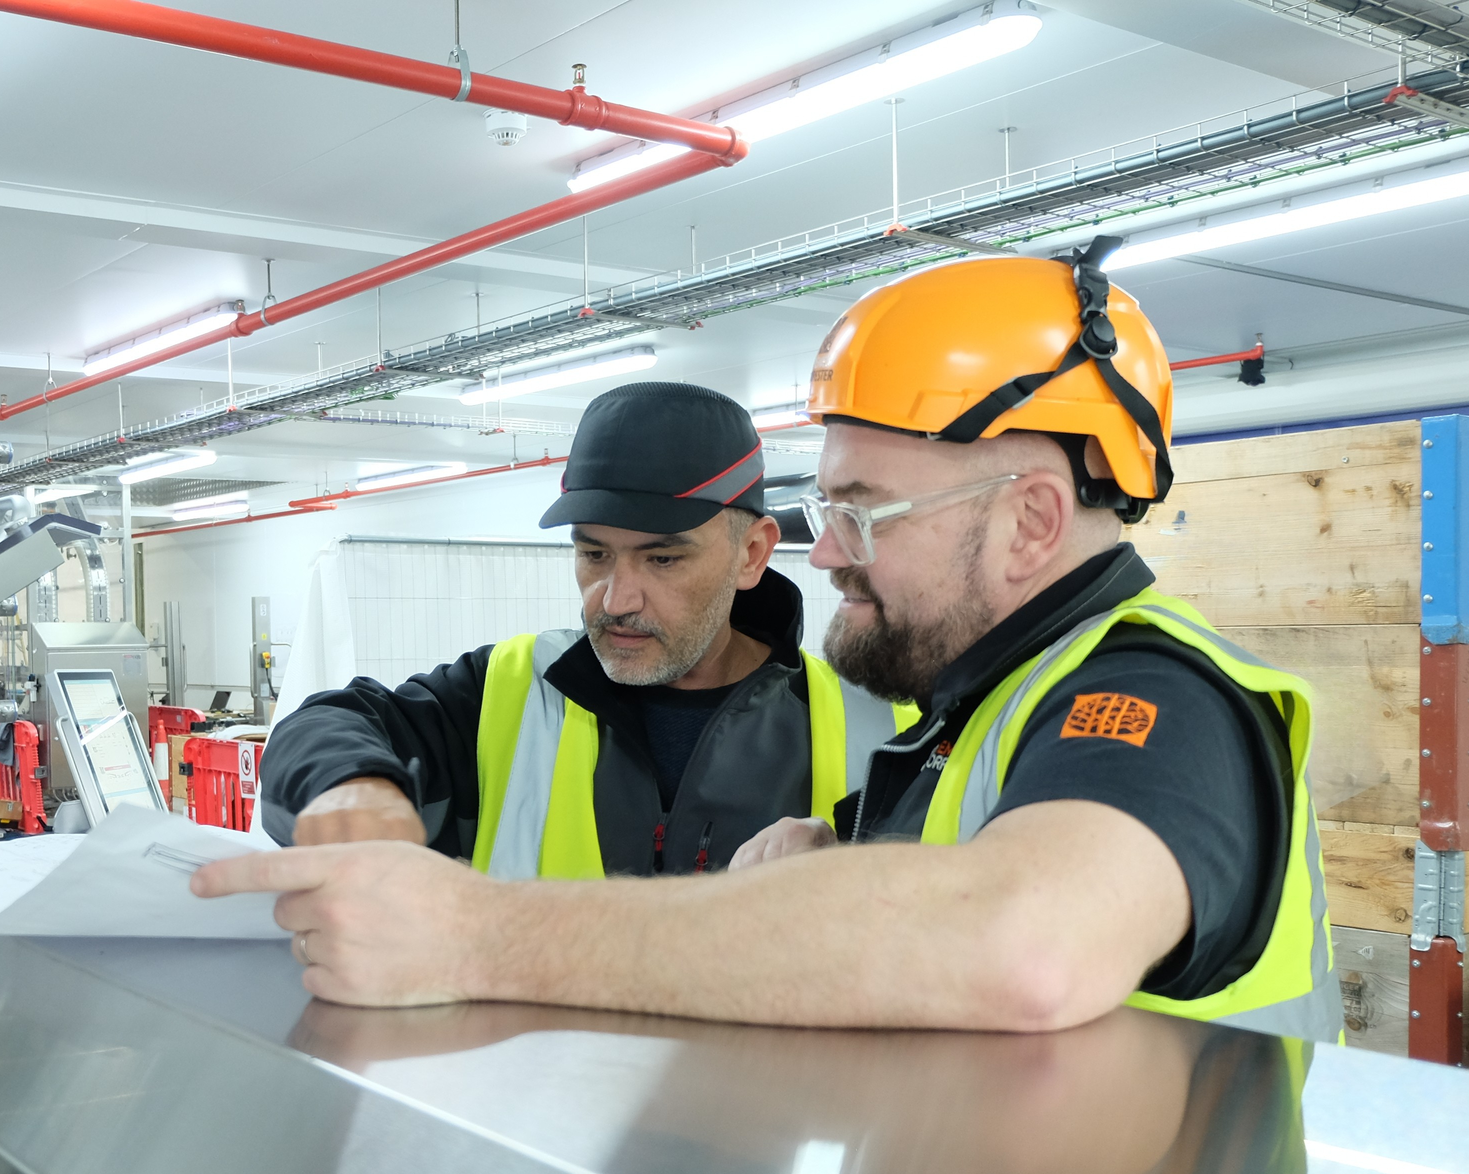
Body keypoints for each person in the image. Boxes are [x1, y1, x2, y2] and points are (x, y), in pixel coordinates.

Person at [197, 238, 1342, 1041]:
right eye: (827, 509)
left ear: (1033, 521)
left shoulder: (1158, 700)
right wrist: (843, 861)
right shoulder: (973, 716)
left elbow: (1024, 945)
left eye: (863, 514)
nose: (825, 551)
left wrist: (476, 936)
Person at [259, 380, 906, 878]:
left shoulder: (880, 728)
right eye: (594, 554)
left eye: (662, 559)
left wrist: (849, 864)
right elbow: (329, 723)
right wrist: (352, 786)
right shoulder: (509, 692)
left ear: (752, 554)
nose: (616, 599)